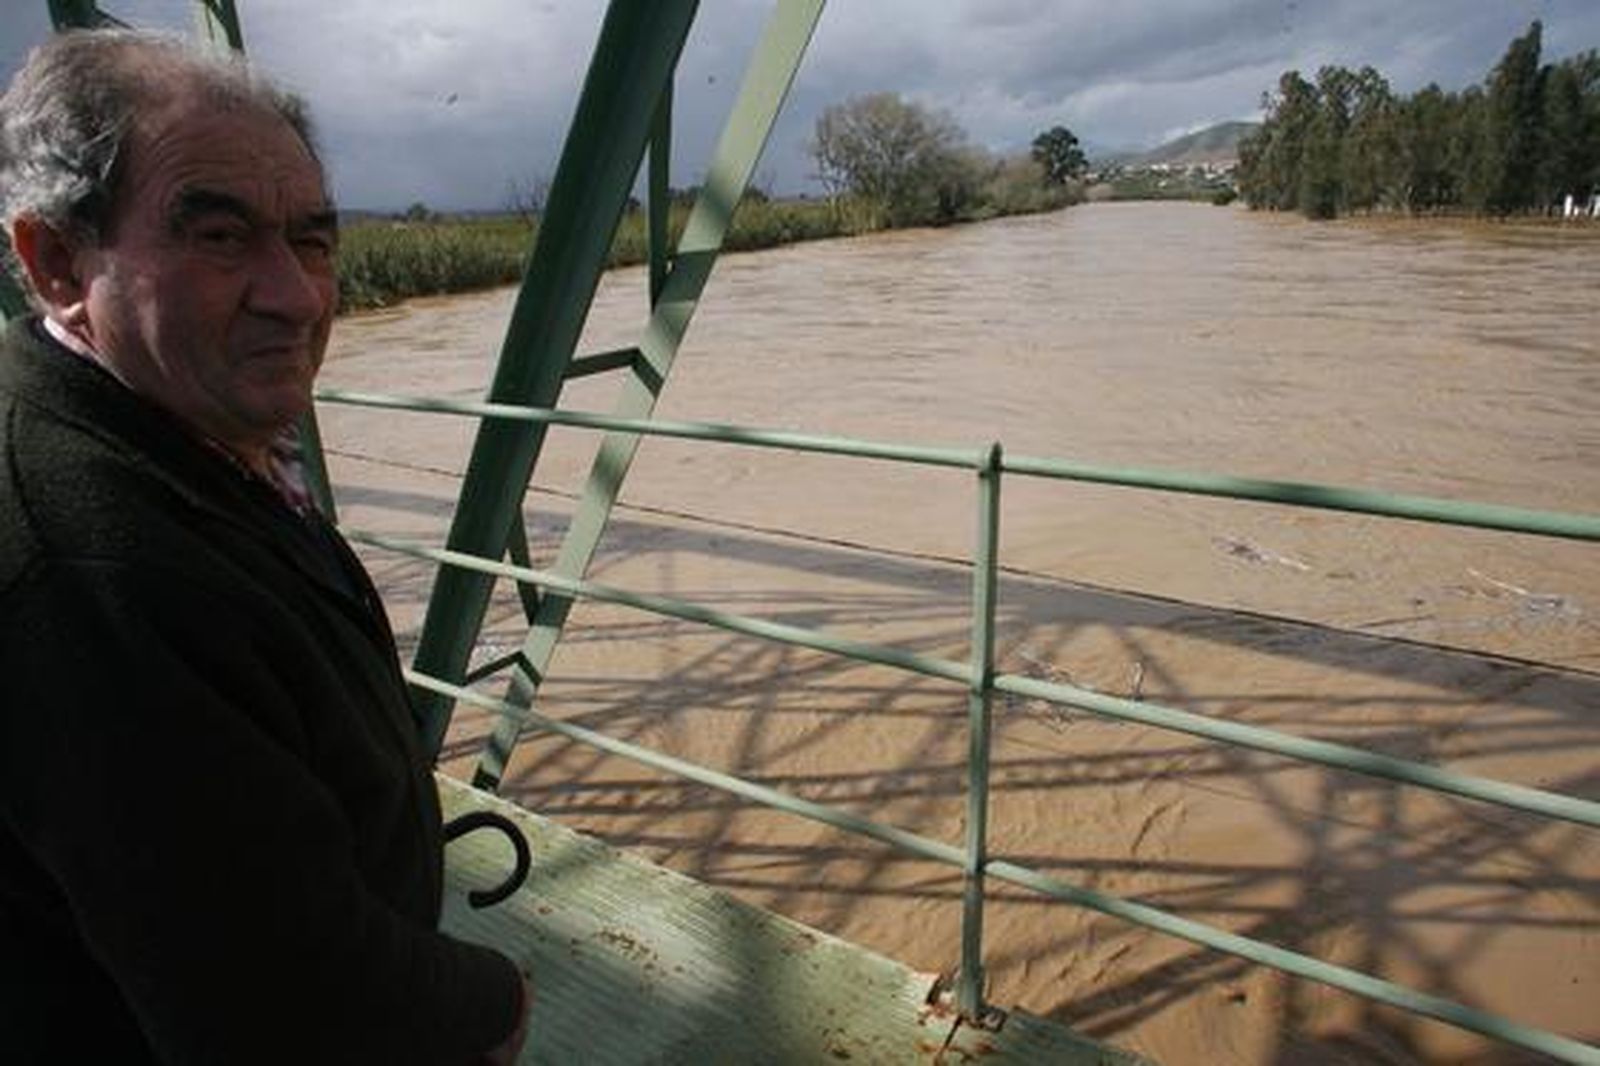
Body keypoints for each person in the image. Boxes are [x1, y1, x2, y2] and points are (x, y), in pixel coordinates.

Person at [0, 30, 531, 1064]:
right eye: (220, 238)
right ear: (59, 261)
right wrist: (493, 999)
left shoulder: (165, 432)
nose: (296, 295)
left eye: (314, 240)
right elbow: (289, 1011)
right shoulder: (89, 572)